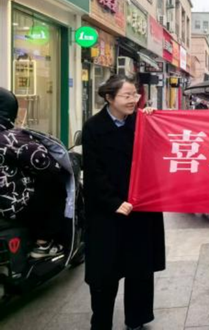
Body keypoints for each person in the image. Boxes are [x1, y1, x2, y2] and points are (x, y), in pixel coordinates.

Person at [82, 75, 165, 330]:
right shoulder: (93, 127)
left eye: (135, 95)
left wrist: (153, 121)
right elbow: (93, 173)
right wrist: (113, 202)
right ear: (109, 98)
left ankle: (137, 319)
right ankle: (101, 322)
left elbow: (162, 151)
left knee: (139, 268)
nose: (133, 100)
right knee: (104, 272)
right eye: (126, 96)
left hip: (141, 208)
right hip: (108, 211)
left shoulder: (141, 122)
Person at [0, 87, 66, 258]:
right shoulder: (12, 138)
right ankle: (44, 242)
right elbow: (48, 166)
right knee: (55, 186)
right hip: (9, 207)